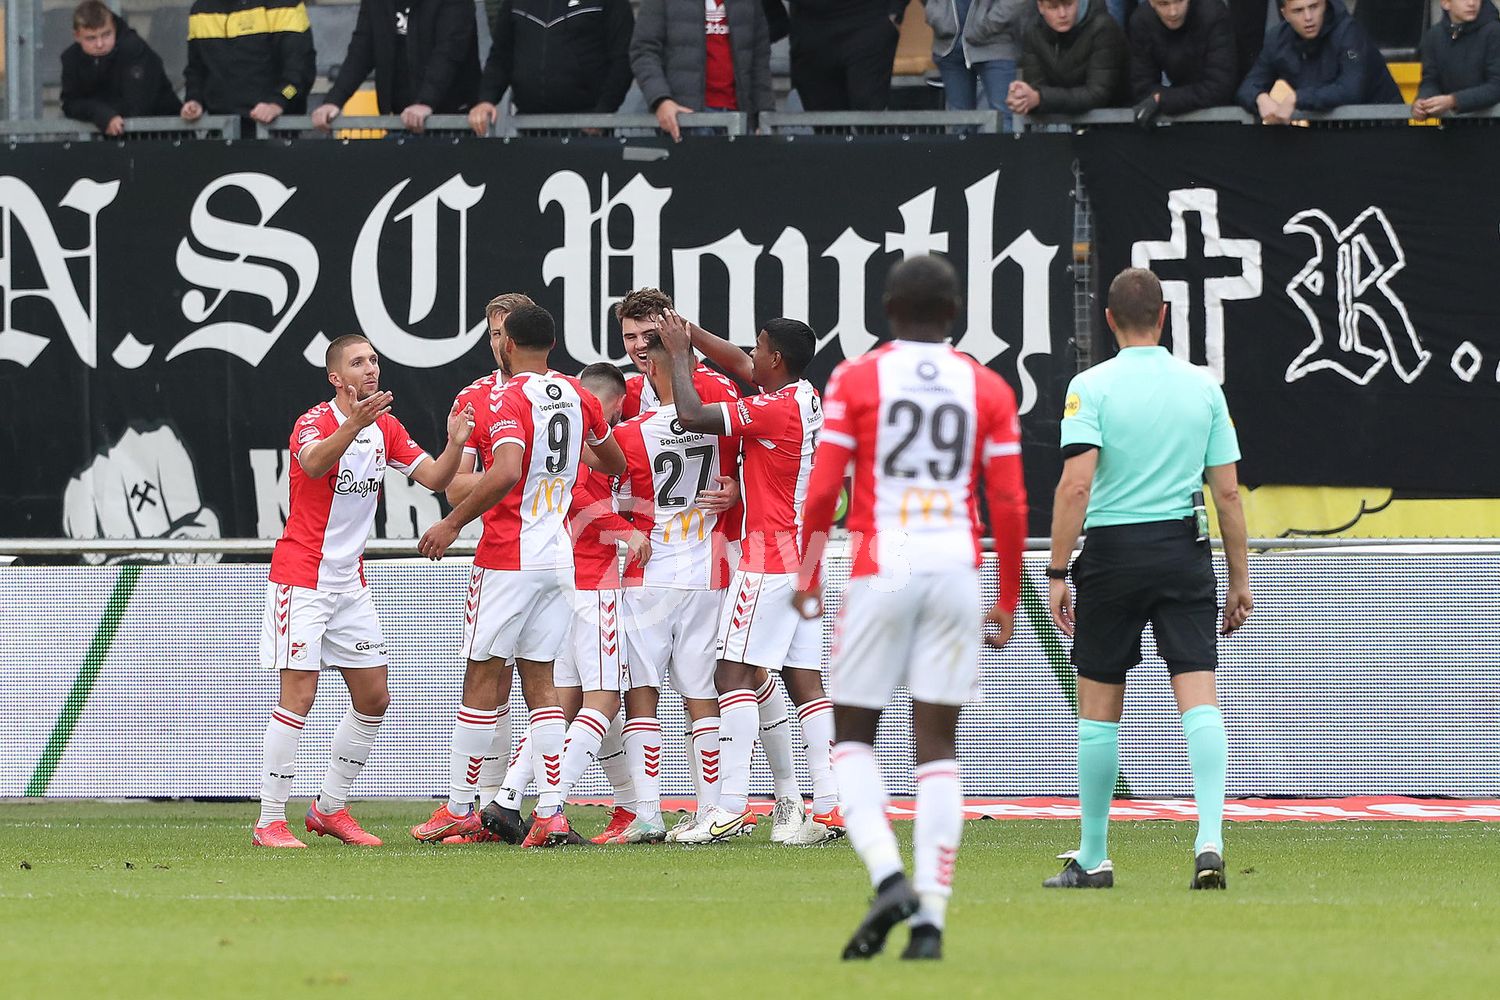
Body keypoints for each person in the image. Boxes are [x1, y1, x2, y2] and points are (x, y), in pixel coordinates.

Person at [795, 254, 1028, 961]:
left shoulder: (857, 377)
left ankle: (887, 875)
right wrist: (1007, 596)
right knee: (938, 745)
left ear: (887, 310)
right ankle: (930, 919)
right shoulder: (986, 385)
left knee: (852, 734)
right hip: (955, 564)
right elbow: (1009, 501)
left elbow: (824, 489)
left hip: (885, 562)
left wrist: (808, 572)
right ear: (955, 312)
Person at [1043, 268, 1251, 891]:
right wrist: (1239, 578)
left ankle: (1094, 856)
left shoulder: (1090, 386)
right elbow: (1229, 494)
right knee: (1199, 693)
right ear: (1163, 315)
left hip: (1112, 553)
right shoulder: (1203, 387)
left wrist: (1057, 572)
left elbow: (1076, 485)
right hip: (1183, 550)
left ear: (1108, 320)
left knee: (1099, 707)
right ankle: (1209, 839)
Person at [414, 305, 626, 847]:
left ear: (507, 343)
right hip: (558, 557)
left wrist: (452, 523)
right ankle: (551, 813)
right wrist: (563, 465)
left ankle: (460, 807)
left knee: (482, 675)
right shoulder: (577, 393)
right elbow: (613, 461)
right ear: (552, 344)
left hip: (509, 554)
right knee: (541, 681)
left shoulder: (506, 397)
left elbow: (506, 470)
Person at [253, 334, 473, 848]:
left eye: (374, 359)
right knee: (299, 696)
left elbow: (436, 478)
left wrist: (456, 442)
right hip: (302, 580)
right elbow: (312, 464)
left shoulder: (387, 427)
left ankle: (329, 808)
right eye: (358, 362)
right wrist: (353, 425)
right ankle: (269, 821)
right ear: (336, 377)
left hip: (349, 583)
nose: (371, 368)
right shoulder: (314, 421)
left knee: (374, 697)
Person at [615, 290, 809, 843]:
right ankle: (698, 808)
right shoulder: (628, 395)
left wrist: (734, 493)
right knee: (713, 681)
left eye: (648, 336)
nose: (639, 348)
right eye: (629, 337)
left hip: (719, 558)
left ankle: (753, 801)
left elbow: (753, 456)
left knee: (737, 677)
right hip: (670, 564)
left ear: (670, 334)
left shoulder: (715, 389)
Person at [657, 311, 845, 846]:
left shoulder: (774, 408)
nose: (751, 354)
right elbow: (742, 365)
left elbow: (692, 414)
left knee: (732, 674)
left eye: (759, 347)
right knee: (804, 680)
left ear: (776, 358)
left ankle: (729, 807)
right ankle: (829, 806)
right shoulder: (805, 395)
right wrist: (691, 331)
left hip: (769, 558)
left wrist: (680, 354)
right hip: (806, 555)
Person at [611, 335, 740, 844]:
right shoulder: (718, 427)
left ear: (651, 373)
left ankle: (648, 814)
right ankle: (711, 811)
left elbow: (612, 501)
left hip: (649, 574)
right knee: (701, 692)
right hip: (706, 573)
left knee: (642, 691)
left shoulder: (630, 433)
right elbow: (742, 473)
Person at [550, 363, 653, 843]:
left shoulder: (558, 435)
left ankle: (627, 806)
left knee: (566, 704)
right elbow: (581, 501)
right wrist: (627, 531)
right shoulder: (587, 443)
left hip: (563, 586)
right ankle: (546, 804)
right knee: (605, 699)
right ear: (612, 405)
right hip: (594, 584)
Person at [311, 0, 481, 133]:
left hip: (452, 121)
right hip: (400, 120)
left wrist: (425, 102)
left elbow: (449, 52)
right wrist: (334, 101)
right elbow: (361, 49)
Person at [467, 0, 635, 134]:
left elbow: (623, 58)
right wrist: (486, 99)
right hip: (529, 127)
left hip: (589, 128)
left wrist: (604, 110)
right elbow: (501, 55)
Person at [630, 0, 773, 142]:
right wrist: (661, 100)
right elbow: (643, 51)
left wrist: (764, 116)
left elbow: (760, 58)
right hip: (684, 120)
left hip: (741, 119)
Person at [1236, 0, 1401, 123]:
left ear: (1325, 4)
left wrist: (1297, 98)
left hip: (1384, 126)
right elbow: (1248, 86)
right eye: (1298, 10)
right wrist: (1259, 98)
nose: (1308, 17)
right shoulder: (1278, 40)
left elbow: (1351, 91)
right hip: (1330, 130)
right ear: (1285, 14)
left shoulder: (1349, 32)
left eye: (1314, 7)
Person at [181, 0, 315, 125]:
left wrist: (278, 102)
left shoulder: (285, 4)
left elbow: (301, 72)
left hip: (275, 128)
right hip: (220, 128)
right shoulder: (201, 9)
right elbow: (196, 69)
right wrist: (194, 99)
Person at [61, 1, 181, 136]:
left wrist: (103, 115)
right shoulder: (71, 58)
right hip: (117, 137)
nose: (100, 44)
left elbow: (138, 106)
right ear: (77, 36)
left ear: (115, 28)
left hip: (165, 135)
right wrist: (101, 114)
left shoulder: (133, 49)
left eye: (106, 34)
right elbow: (70, 104)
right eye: (91, 38)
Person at [1008, 0, 1130, 117]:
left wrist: (1039, 98)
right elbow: (1036, 88)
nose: (1062, 14)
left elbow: (1097, 94)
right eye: (1053, 7)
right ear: (1040, 6)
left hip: (1116, 122)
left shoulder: (1103, 28)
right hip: (1062, 121)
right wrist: (1022, 97)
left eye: (1068, 4)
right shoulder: (1033, 32)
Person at [1127, 0, 1237, 124]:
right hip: (1189, 99)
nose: (1173, 12)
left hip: (1221, 113)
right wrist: (1164, 99)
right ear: (1151, 2)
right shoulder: (1142, 20)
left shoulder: (1214, 13)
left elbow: (1220, 87)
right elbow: (1142, 86)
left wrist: (1162, 99)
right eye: (1163, 4)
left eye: (1179, 1)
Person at [788, 0, 907, 111]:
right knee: (822, 114)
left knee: (867, 108)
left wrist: (895, 11)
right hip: (810, 26)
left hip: (868, 20)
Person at [925, 0, 1029, 125]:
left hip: (996, 43)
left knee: (1003, 119)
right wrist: (937, 15)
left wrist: (988, 24)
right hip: (949, 46)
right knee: (959, 123)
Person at [1413, 0, 1500, 119]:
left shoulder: (1494, 32)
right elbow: (1431, 80)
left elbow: (1496, 86)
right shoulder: (1434, 36)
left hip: (1493, 124)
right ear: (1446, 3)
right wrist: (1423, 101)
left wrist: (1453, 101)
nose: (1471, 3)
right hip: (1452, 125)